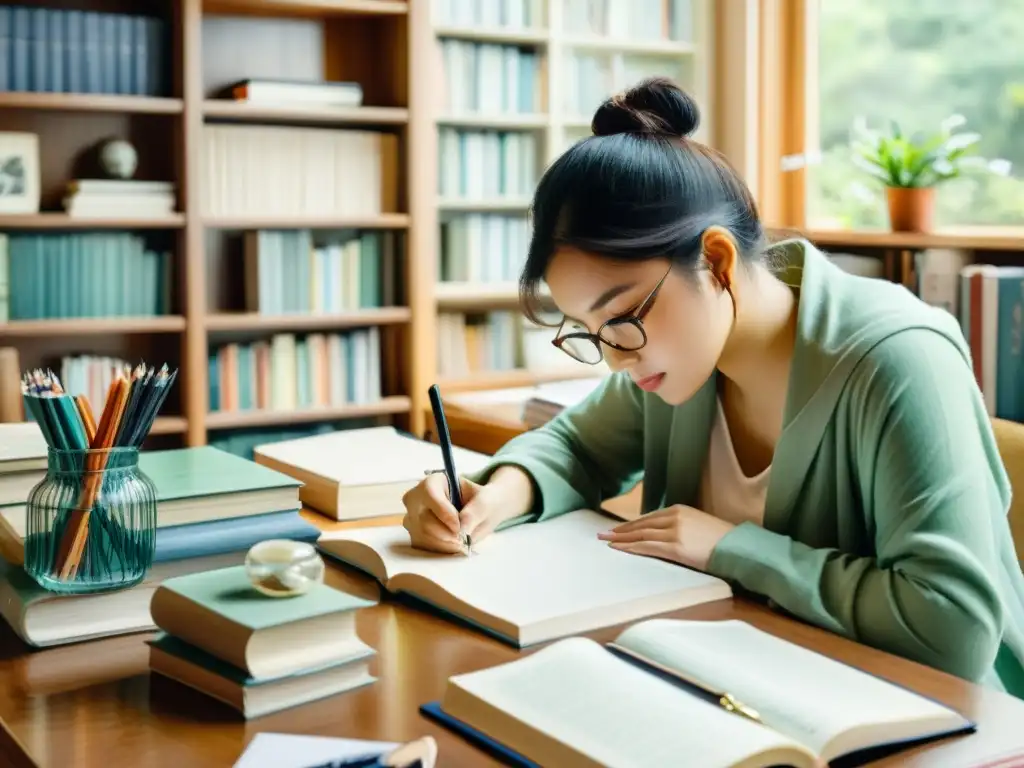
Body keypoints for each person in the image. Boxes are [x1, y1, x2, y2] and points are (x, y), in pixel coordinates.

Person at [401, 77, 1024, 698]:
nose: (614, 358)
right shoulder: (682, 358)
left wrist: (732, 548)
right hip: (745, 681)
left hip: (942, 722)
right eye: (589, 331)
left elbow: (953, 628)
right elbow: (576, 448)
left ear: (717, 261)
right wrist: (490, 498)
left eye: (620, 319)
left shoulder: (899, 358)